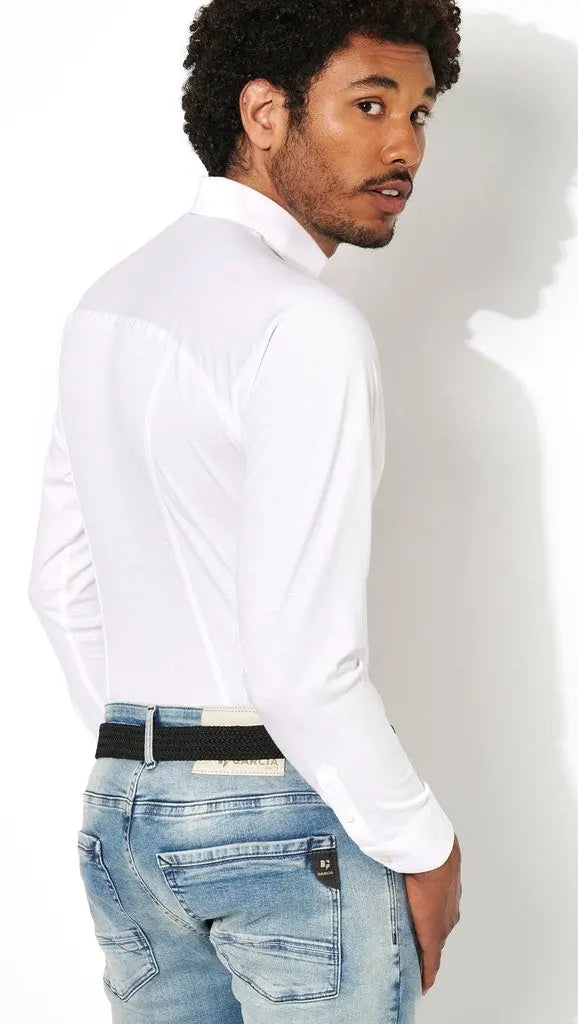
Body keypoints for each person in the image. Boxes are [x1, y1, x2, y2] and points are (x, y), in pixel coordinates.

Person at [27, 1, 463, 1020]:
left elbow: (58, 584)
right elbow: (301, 666)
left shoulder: (110, 303)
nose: (403, 147)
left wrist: (165, 774)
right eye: (368, 105)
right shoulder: (304, 325)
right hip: (285, 818)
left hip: (124, 814)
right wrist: (423, 842)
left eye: (418, 113)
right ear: (264, 114)